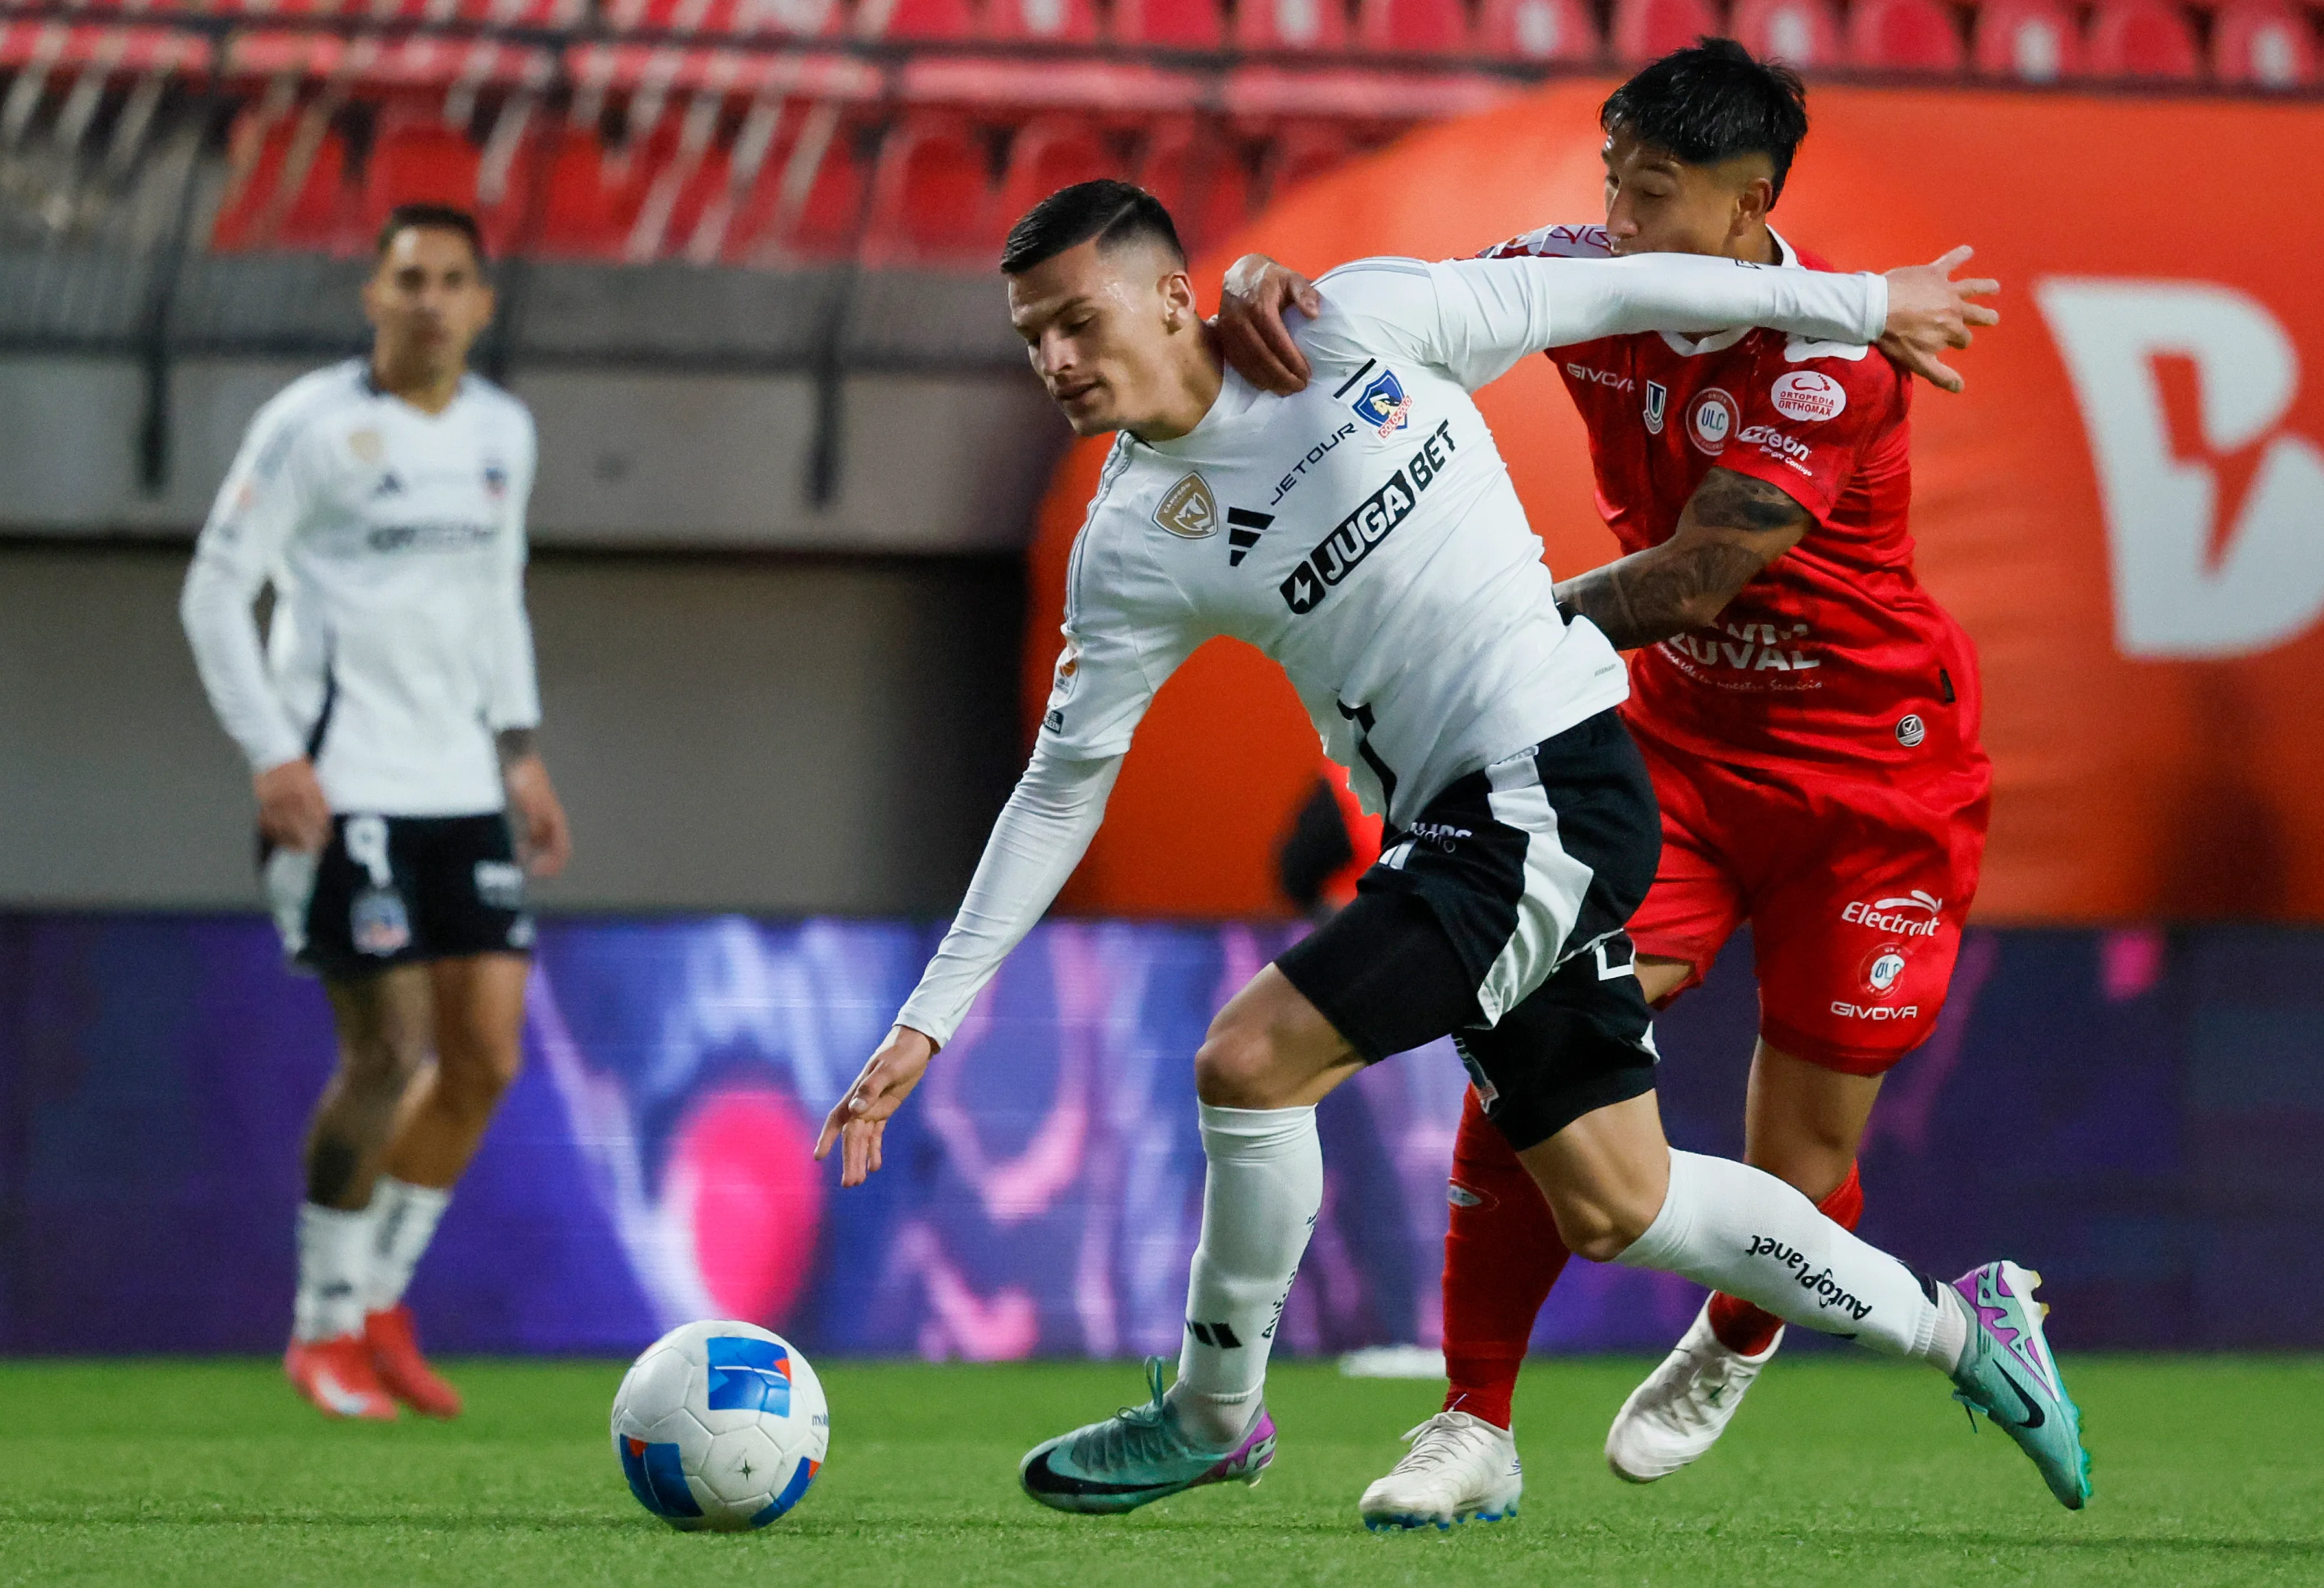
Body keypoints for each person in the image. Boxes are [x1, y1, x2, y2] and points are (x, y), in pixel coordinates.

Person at [813, 179, 2087, 1523]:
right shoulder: (1130, 542)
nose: (1056, 362)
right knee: (1619, 1204)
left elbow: (1622, 289)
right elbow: (1060, 788)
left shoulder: (1361, 320)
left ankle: (1211, 1417)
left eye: (1077, 322)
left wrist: (1863, 303)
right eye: (1033, 339)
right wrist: (928, 1019)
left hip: (1554, 784)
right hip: (1464, 821)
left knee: (1249, 1062)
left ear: (1174, 296)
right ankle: (1967, 1329)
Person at [1213, 40, 2005, 1526]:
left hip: (1873, 784)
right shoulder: (1576, 275)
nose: (1621, 222)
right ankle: (1470, 1420)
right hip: (1678, 764)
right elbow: (1383, 323)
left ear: (1745, 204)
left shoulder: (1827, 359)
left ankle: (1734, 1333)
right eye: (1611, 185)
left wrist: (1483, 630)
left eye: (1655, 195)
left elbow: (1703, 572)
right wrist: (1270, 280)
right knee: (1523, 1009)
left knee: (1804, 1155)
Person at [179, 203, 570, 1421]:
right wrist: (272, 754)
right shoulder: (311, 425)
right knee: (387, 1052)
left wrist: (521, 751)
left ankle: (381, 1306)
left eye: (453, 280)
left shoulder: (505, 430)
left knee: (488, 1058)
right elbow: (214, 587)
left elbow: (495, 594)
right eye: (409, 277)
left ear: (483, 302)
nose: (430, 300)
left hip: (462, 784)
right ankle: (318, 1330)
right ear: (373, 291)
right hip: (347, 788)